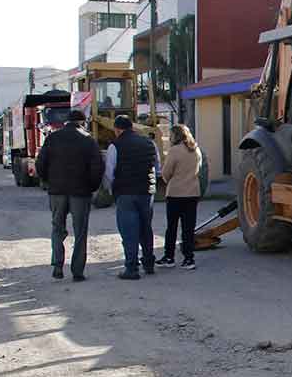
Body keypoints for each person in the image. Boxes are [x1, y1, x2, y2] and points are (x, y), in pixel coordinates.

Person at [36, 110, 104, 282]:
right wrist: (92, 187)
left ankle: (58, 266)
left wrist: (47, 182)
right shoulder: (88, 140)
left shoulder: (52, 138)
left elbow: (40, 163)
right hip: (81, 193)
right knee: (80, 231)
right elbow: (97, 168)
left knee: (57, 228)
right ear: (82, 122)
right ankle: (78, 271)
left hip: (57, 191)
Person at [104, 115, 161, 280]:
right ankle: (149, 263)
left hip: (125, 193)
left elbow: (109, 173)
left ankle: (132, 268)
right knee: (146, 228)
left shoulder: (115, 146)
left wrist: (111, 191)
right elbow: (157, 169)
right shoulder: (150, 143)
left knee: (129, 232)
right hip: (146, 192)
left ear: (117, 129)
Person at [160, 124, 202, 270]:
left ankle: (169, 257)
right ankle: (189, 258)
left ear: (175, 136)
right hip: (192, 193)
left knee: (172, 227)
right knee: (188, 228)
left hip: (175, 194)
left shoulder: (174, 151)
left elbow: (166, 174)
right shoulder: (195, 149)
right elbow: (200, 168)